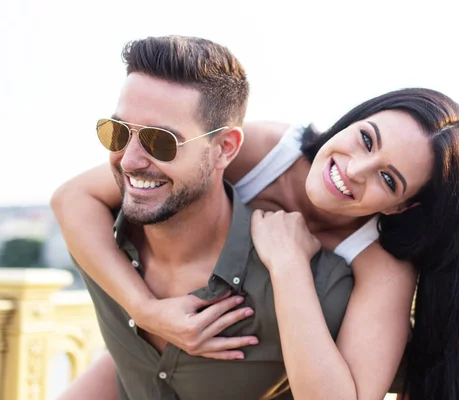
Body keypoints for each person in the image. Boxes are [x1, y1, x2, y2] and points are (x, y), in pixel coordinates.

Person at [52, 48, 459, 400]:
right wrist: (147, 310)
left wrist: (288, 266)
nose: (355, 169)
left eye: (388, 179)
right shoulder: (260, 150)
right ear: (354, 119)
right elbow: (74, 197)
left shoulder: (381, 263)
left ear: (402, 207)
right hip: (156, 351)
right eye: (367, 139)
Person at [54, 35, 356, 400]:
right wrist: (145, 310)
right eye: (117, 132)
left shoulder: (316, 288)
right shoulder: (100, 243)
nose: (129, 159)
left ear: (224, 149)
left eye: (159, 141)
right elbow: (67, 200)